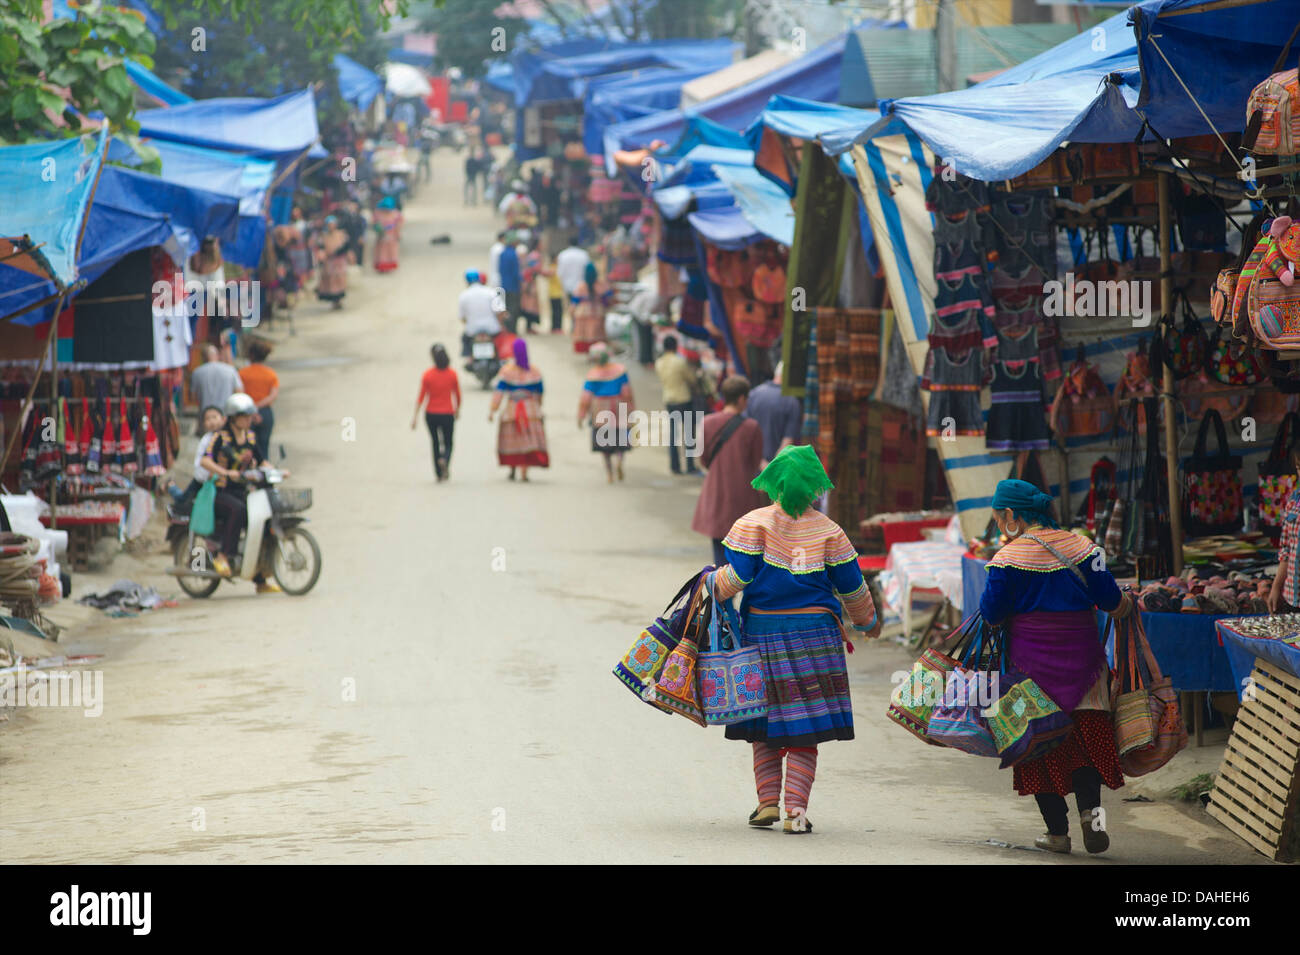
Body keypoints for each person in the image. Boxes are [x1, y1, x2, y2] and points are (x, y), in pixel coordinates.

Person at [710, 445, 880, 833]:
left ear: (774, 486)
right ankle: (795, 814)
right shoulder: (829, 530)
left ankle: (767, 802)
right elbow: (852, 588)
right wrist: (868, 622)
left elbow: (736, 579)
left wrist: (707, 588)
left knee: (764, 721)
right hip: (816, 639)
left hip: (761, 634)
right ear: (814, 489)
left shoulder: (753, 524)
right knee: (806, 725)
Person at [978, 478, 1133, 855]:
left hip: (1031, 668)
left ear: (1012, 515)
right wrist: (1128, 608)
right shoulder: (1084, 546)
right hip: (1085, 664)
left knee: (1036, 744)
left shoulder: (1006, 560)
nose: (1000, 526)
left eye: (1000, 518)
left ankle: (1057, 834)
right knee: (1086, 740)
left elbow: (992, 614)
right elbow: (1112, 599)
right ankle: (1092, 820)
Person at [201, 393, 280, 593]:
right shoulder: (220, 437)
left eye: (249, 416)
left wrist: (276, 472)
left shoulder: (251, 436)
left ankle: (260, 578)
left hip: (241, 489)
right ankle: (223, 557)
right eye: (244, 416)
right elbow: (205, 460)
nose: (248, 420)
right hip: (219, 491)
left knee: (262, 518)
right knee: (239, 511)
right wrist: (225, 472)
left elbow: (262, 460)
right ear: (233, 417)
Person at [693, 376, 764, 567]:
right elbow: (755, 462)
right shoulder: (752, 427)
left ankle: (723, 596)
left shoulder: (706, 423)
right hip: (743, 498)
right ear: (741, 399)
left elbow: (703, 458)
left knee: (719, 555)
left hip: (715, 493)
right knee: (744, 554)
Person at [489, 338, 549, 482]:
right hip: (531, 408)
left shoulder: (507, 371)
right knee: (527, 440)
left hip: (512, 408)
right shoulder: (535, 371)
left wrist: (493, 410)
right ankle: (524, 470)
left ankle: (513, 468)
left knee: (513, 440)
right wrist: (538, 407)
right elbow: (540, 392)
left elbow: (499, 393)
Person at [578, 343, 634, 483]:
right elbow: (627, 392)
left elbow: (586, 399)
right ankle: (620, 461)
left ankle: (609, 473)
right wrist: (632, 409)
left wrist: (581, 415)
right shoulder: (620, 370)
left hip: (600, 409)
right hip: (619, 406)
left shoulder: (593, 375)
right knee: (621, 439)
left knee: (604, 444)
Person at [410, 344, 461, 482]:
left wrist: (415, 417)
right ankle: (444, 459)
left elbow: (421, 397)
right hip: (447, 414)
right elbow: (457, 394)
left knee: (435, 442)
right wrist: (458, 409)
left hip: (431, 414)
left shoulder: (428, 375)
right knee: (448, 442)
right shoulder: (452, 374)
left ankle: (438, 474)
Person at [655, 335, 701, 476]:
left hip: (669, 399)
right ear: (675, 346)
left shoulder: (659, 362)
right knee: (688, 434)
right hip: (683, 399)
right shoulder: (680, 362)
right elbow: (691, 379)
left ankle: (675, 466)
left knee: (673, 434)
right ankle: (690, 466)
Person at [745, 362, 804, 465]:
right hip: (775, 471)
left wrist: (760, 463)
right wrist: (770, 469)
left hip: (753, 467)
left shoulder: (753, 394)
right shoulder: (792, 402)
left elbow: (745, 435)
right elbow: (787, 442)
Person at [169, 405, 226, 505]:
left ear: (223, 419)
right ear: (203, 423)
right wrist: (207, 476)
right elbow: (200, 462)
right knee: (183, 500)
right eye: (208, 419)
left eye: (214, 417)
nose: (212, 421)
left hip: (218, 479)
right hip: (202, 480)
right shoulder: (206, 440)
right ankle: (170, 486)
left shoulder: (226, 437)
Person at [1269, 447, 1300, 613]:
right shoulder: (1294, 500)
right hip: (1292, 597)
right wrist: (1276, 588)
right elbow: (1286, 550)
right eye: (1299, 468)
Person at [239, 339, 281, 464]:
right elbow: (273, 396)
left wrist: (252, 408)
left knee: (246, 448)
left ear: (250, 355)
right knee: (264, 447)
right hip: (265, 413)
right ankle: (264, 473)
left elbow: (239, 393)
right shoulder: (271, 374)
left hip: (246, 414)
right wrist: (258, 406)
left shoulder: (242, 373)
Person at [189, 345, 243, 435]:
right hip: (226, 416)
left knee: (207, 444)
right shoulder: (230, 370)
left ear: (203, 357)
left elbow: (193, 397)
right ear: (217, 355)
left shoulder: (197, 372)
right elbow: (239, 392)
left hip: (206, 417)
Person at [459, 269, 505, 360]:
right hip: (492, 328)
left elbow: (462, 318)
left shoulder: (463, 295)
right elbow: (500, 312)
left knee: (465, 339)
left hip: (472, 330)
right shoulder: (491, 292)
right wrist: (501, 324)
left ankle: (469, 359)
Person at [571, 262, 610, 354]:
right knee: (596, 334)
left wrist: (572, 311)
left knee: (585, 334)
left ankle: (588, 353)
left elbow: (575, 301)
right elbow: (607, 299)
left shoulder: (581, 286)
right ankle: (596, 353)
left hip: (583, 313)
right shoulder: (601, 285)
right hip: (597, 312)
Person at [314, 216, 349, 309]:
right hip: (329, 261)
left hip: (339, 261)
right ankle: (334, 300)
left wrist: (338, 252)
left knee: (339, 279)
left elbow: (346, 246)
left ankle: (338, 300)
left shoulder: (341, 234)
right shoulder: (323, 236)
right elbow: (320, 247)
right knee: (330, 280)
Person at [498, 235, 521, 335]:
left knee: (505, 308)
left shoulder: (502, 253)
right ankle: (512, 330)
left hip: (504, 284)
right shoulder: (513, 254)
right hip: (513, 286)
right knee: (513, 308)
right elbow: (516, 272)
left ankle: (506, 328)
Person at [373, 196, 403, 273]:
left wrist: (398, 233)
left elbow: (399, 224)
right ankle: (382, 267)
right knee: (382, 252)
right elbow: (375, 223)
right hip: (382, 237)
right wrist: (379, 229)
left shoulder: (396, 214)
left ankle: (389, 267)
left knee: (391, 252)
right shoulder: (378, 213)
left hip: (392, 237)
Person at [519, 240, 542, 335]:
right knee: (530, 307)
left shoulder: (525, 260)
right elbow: (534, 271)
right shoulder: (535, 256)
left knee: (528, 306)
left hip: (527, 284)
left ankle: (529, 326)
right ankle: (529, 327)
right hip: (529, 285)